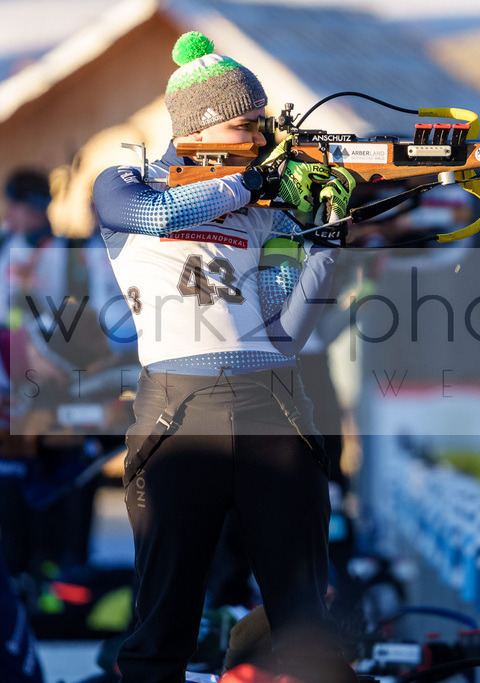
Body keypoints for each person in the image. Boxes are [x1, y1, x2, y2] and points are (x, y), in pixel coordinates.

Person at [92, 31, 358, 683]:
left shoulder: (263, 212)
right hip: (178, 414)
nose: (266, 134)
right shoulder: (127, 181)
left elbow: (283, 330)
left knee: (304, 625)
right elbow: (150, 216)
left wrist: (323, 239)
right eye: (252, 122)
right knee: (162, 626)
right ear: (206, 126)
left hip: (273, 404)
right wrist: (248, 183)